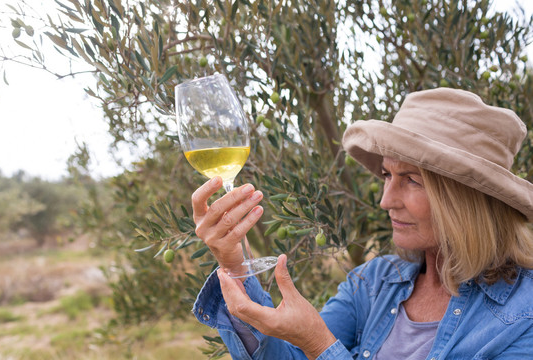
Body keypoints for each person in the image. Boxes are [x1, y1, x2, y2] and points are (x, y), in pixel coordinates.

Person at [190, 88, 533, 359]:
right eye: (387, 175)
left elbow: (318, 348)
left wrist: (320, 344)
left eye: (411, 179)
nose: (386, 200)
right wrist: (234, 263)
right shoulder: (372, 283)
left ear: (464, 200)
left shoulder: (524, 315)